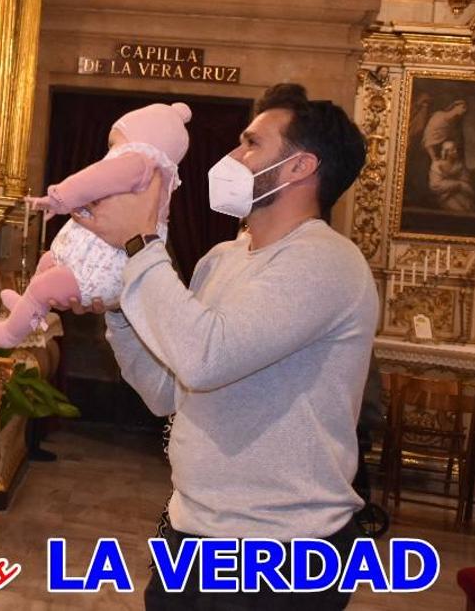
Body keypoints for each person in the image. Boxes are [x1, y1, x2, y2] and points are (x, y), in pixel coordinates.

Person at [74, 83, 375, 609]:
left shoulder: (326, 262)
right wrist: (121, 313)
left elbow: (206, 357)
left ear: (300, 167)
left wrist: (141, 242)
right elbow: (170, 391)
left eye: (252, 144)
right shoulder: (221, 258)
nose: (233, 156)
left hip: (280, 552)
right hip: (193, 533)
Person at [0, 102, 193, 348]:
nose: (112, 150)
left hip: (102, 267)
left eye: (115, 142)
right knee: (48, 265)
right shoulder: (158, 177)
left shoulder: (138, 162)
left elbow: (94, 179)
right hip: (103, 262)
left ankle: (11, 334)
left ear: (140, 138)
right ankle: (30, 309)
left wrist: (59, 198)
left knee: (46, 283)